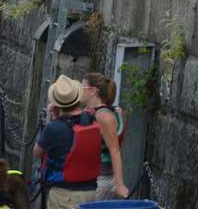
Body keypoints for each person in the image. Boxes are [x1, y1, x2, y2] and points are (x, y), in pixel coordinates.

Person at [33, 76, 102, 207]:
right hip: (91, 191)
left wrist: (52, 119)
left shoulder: (54, 128)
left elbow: (37, 152)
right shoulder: (91, 119)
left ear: (56, 104)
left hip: (64, 193)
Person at [81, 73, 128, 200]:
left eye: (83, 87)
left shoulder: (103, 115)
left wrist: (120, 185)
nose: (80, 90)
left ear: (93, 91)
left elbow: (115, 150)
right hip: (94, 177)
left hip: (102, 179)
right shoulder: (93, 111)